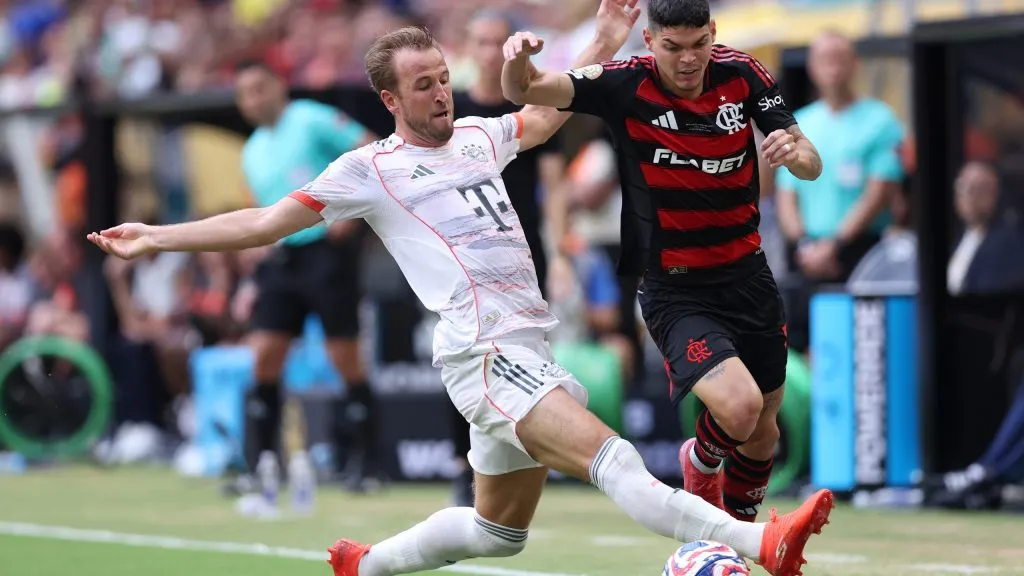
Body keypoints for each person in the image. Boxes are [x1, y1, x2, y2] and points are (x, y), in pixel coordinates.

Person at [88, 4, 833, 576]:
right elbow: (266, 221)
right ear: (389, 99)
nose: (441, 94)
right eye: (424, 86)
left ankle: (365, 563)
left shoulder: (480, 135)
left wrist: (604, 36)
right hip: (483, 355)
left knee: (496, 532)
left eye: (443, 78)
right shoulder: (367, 170)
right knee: (619, 461)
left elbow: (550, 109)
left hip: (524, 345)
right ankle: (759, 542)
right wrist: (158, 236)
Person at [502, 0, 823, 524]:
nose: (689, 59)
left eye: (698, 45)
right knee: (739, 409)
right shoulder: (626, 82)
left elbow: (810, 162)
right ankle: (698, 460)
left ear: (712, 34)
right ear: (650, 42)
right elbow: (526, 92)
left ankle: (736, 543)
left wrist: (795, 153)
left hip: (749, 276)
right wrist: (517, 60)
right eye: (674, 47)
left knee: (764, 431)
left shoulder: (743, 74)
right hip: (676, 287)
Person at [233, 60, 381, 494]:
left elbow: (368, 149)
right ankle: (260, 464)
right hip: (282, 259)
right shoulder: (251, 150)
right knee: (264, 355)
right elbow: (259, 211)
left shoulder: (311, 117)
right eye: (245, 94)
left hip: (326, 252)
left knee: (345, 358)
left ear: (279, 86)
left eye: (259, 88)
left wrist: (351, 213)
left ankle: (365, 464)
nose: (253, 99)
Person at [446, 9, 571, 507]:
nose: (489, 51)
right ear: (468, 47)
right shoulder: (448, 110)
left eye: (499, 42)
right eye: (481, 42)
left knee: (530, 353)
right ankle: (464, 467)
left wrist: (561, 254)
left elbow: (555, 188)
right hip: (464, 256)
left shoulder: (535, 105)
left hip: (524, 251)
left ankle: (533, 457)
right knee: (463, 358)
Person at [774, 30, 905, 352]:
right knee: (805, 346)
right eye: (824, 60)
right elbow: (787, 196)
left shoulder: (879, 120)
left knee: (863, 346)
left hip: (859, 252)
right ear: (812, 68)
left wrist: (836, 245)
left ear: (854, 64)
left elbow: (879, 190)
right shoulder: (798, 124)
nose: (833, 68)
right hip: (806, 255)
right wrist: (806, 245)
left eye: (840, 59)